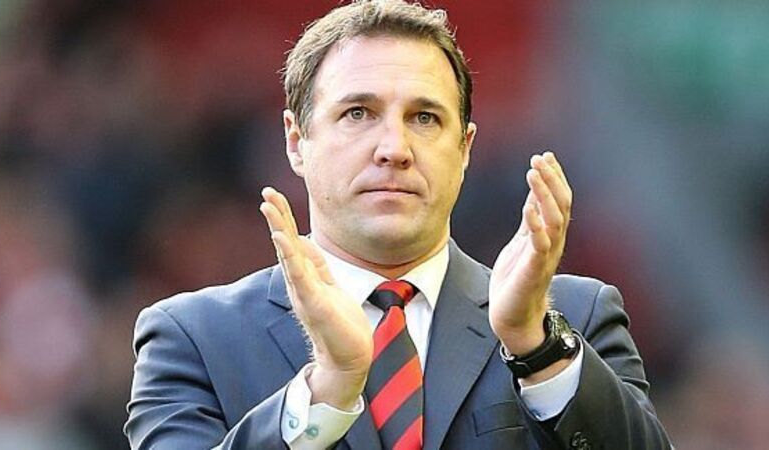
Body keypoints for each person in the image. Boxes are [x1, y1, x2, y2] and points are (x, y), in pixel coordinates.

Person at [125, 1, 672, 449]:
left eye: (424, 118)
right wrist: (327, 390)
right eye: (358, 113)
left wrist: (536, 347)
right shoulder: (193, 339)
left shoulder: (574, 319)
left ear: (465, 148)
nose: (394, 148)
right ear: (296, 141)